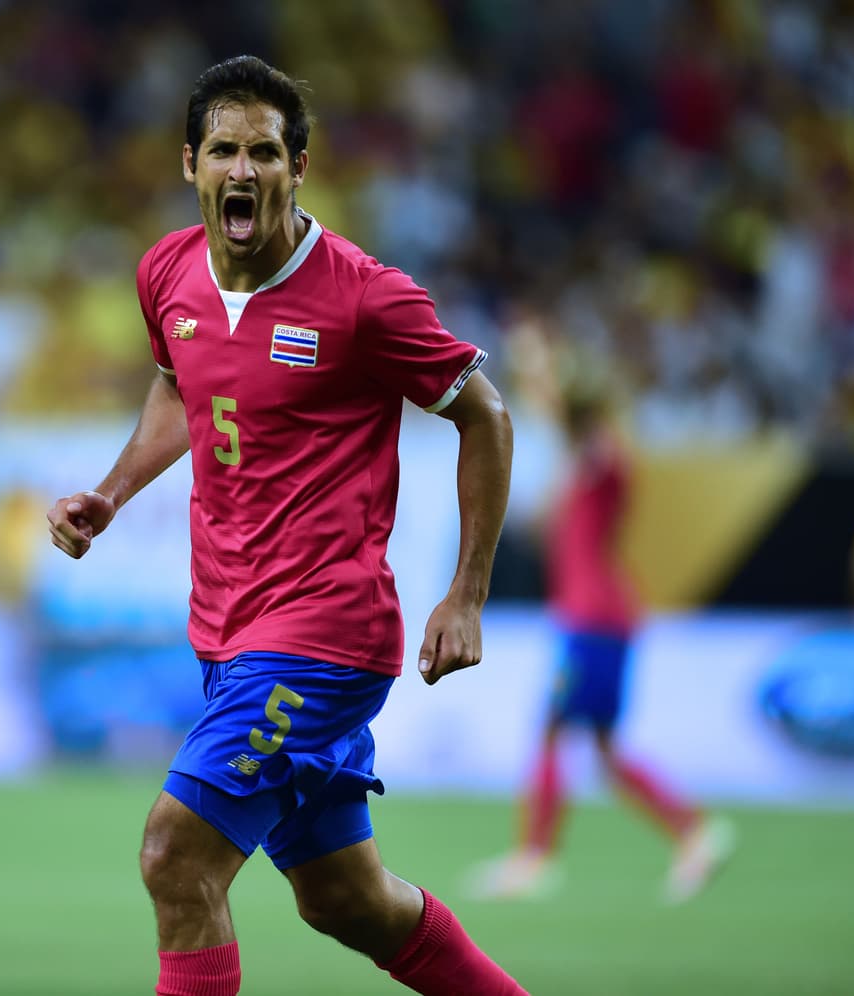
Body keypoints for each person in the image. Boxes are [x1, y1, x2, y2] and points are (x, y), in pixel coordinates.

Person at [47, 56, 527, 996]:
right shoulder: (168, 273)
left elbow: (488, 416)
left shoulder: (364, 297)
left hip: (322, 638)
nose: (242, 170)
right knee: (348, 901)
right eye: (223, 149)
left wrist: (466, 593)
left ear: (297, 168)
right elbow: (184, 386)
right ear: (190, 162)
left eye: (264, 152)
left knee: (174, 856)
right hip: (227, 633)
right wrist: (113, 492)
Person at [470, 378, 734, 904]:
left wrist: (553, 383)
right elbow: (543, 518)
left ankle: (534, 858)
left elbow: (573, 426)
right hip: (599, 619)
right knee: (605, 751)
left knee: (551, 729)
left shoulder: (603, 458)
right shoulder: (582, 470)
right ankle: (694, 833)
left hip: (593, 622)